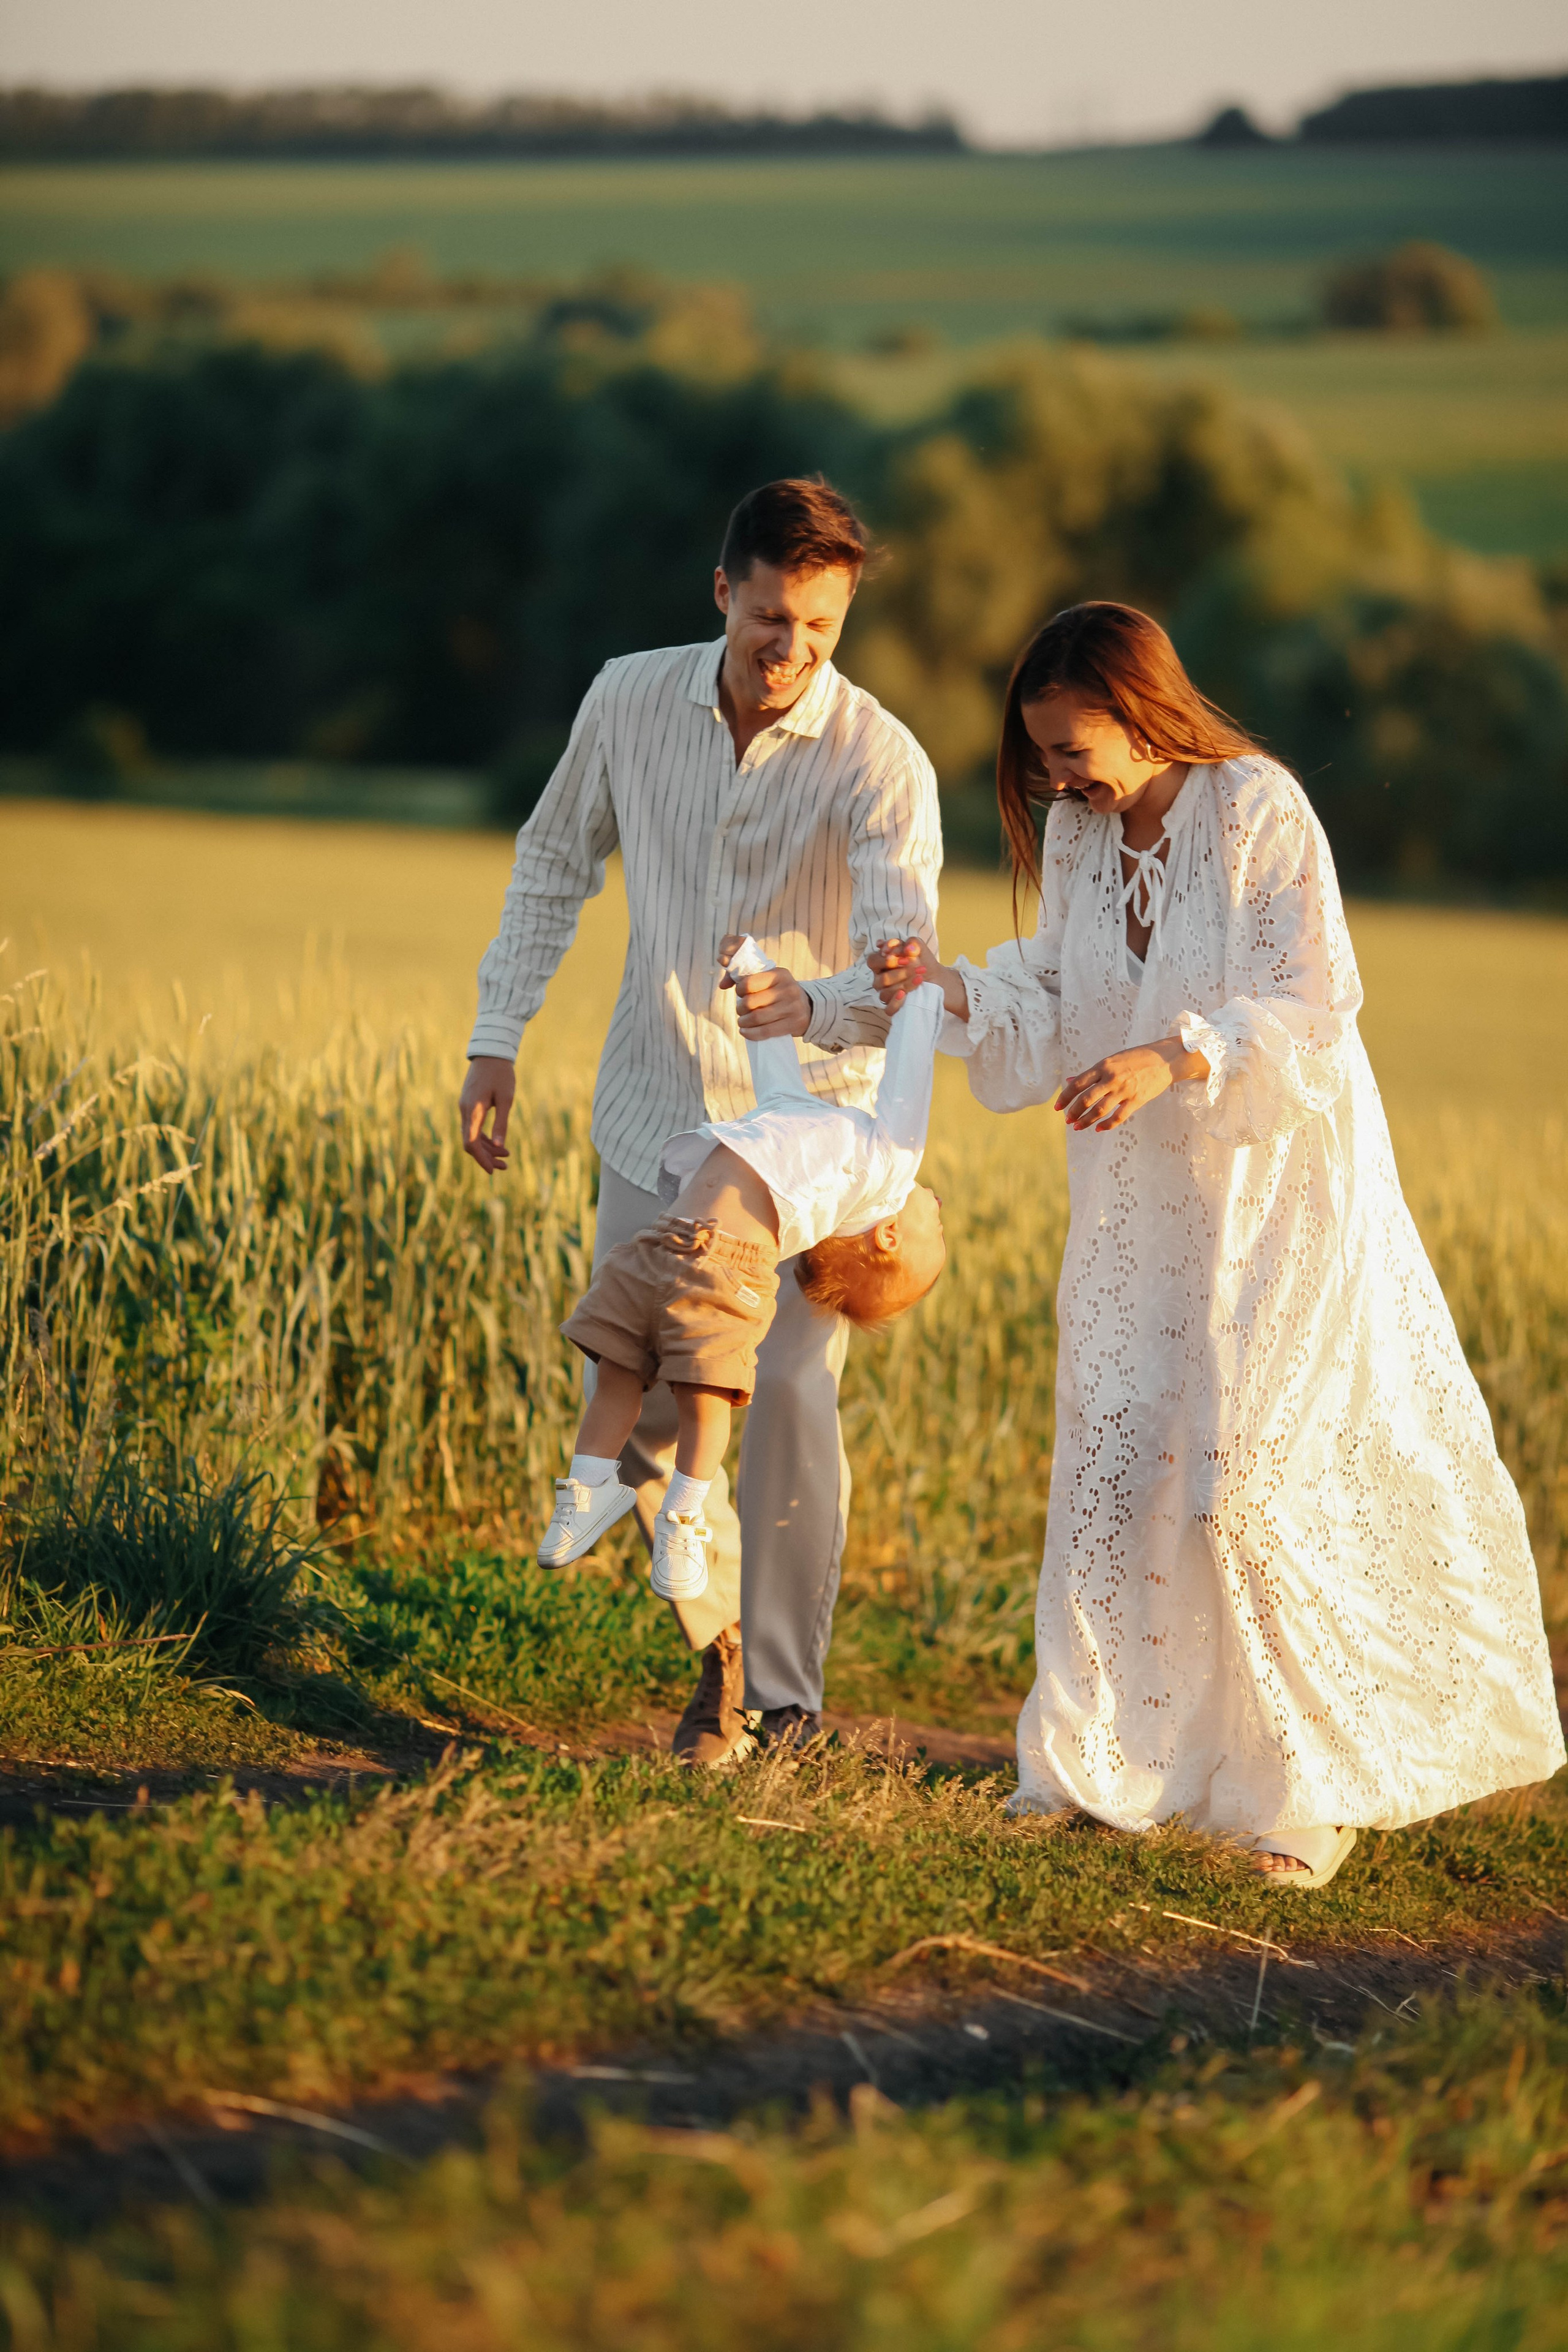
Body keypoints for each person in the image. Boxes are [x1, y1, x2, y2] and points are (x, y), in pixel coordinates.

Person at [873, 601, 1565, 1888]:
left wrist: (1170, 1053)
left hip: (1274, 1190)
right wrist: (947, 990)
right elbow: (1063, 981)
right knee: (1123, 1452)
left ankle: (1305, 1797)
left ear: (1145, 713)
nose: (1056, 781)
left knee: (1246, 1474)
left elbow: (1311, 1000)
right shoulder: (1079, 838)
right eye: (1041, 759)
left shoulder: (1255, 808)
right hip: (1140, 1195)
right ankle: (1102, 1766)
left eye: (1074, 751)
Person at [461, 477, 941, 1764]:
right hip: (654, 1114)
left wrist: (818, 998)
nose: (790, 655)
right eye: (770, 620)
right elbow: (554, 858)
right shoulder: (625, 697)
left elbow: (905, 972)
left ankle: (777, 1703)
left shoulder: (880, 759)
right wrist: (494, 1036)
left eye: (820, 632)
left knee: (782, 1387)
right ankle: (714, 1641)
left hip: (803, 1147)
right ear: (722, 591)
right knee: (642, 1403)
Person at [538, 937, 946, 1633]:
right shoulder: (812, 1124)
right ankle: (590, 1487)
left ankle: (685, 1518)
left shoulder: (888, 1167)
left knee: (704, 1399)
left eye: (933, 1222)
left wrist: (921, 1000)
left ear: (885, 1236)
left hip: (728, 1268)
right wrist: (753, 967)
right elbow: (776, 1065)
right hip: (662, 1244)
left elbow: (910, 1084)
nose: (934, 1204)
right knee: (614, 1368)